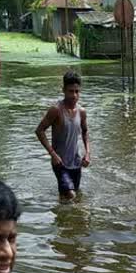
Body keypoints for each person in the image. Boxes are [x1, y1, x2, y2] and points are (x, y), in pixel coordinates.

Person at [36, 71, 91, 200]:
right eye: (71, 91)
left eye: (77, 91)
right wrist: (53, 154)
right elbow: (39, 131)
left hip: (76, 162)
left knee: (68, 196)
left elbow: (85, 132)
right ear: (63, 91)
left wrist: (88, 153)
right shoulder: (56, 110)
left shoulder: (82, 112)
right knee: (71, 195)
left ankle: (63, 219)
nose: (74, 95)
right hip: (60, 163)